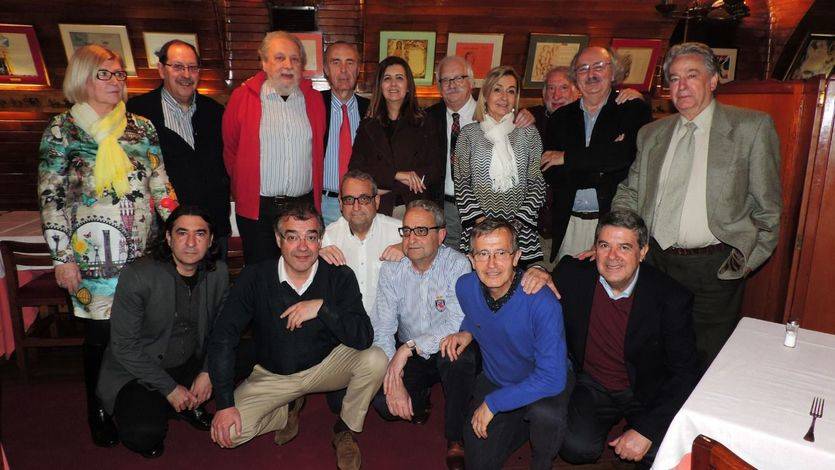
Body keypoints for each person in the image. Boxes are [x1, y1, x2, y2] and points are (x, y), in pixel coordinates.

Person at [38, 44, 178, 448]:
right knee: (101, 338)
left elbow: (160, 185)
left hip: (144, 254)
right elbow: (51, 198)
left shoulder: (141, 127)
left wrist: (183, 230)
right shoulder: (62, 131)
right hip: (91, 262)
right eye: (106, 74)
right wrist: (62, 258)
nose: (116, 82)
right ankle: (97, 408)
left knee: (143, 333)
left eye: (119, 75)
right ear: (82, 77)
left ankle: (139, 400)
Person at [612, 42, 782, 368]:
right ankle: (657, 420)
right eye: (674, 79)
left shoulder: (751, 128)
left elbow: (768, 210)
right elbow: (630, 192)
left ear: (713, 80)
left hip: (714, 268)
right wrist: (619, 240)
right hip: (655, 262)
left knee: (705, 362)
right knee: (653, 354)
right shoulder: (651, 134)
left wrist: (744, 262)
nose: (682, 86)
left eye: (692, 75)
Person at [208, 202, 386, 470]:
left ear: (320, 240)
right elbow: (224, 337)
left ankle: (344, 428)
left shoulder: (339, 276)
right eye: (293, 237)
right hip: (274, 374)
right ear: (278, 239)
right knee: (228, 435)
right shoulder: (255, 277)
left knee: (375, 359)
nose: (303, 247)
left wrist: (322, 308)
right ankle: (284, 410)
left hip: (326, 366)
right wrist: (223, 403)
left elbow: (363, 336)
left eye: (311, 237)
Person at [554, 210, 699, 468]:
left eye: (624, 247)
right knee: (575, 448)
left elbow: (685, 373)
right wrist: (536, 272)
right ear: (594, 248)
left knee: (662, 454)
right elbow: (526, 287)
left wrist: (646, 430)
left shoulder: (671, 298)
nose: (612, 257)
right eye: (604, 246)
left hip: (645, 388)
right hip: (594, 384)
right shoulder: (571, 275)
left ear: (642, 252)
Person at [97, 205, 229, 458]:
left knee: (256, 351)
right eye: (182, 233)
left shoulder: (218, 272)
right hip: (139, 370)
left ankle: (186, 402)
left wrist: (208, 371)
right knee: (143, 436)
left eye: (200, 234)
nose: (191, 243)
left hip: (191, 360)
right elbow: (124, 347)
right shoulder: (138, 275)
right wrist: (169, 388)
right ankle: (174, 404)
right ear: (168, 238)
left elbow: (223, 330)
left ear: (211, 240)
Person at [442, 218, 571, 470]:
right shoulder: (465, 287)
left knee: (545, 415)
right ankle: (519, 421)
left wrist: (494, 403)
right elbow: (477, 314)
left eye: (501, 253)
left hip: (542, 380)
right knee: (477, 460)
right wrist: (467, 331)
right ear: (471, 259)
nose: (491, 264)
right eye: (483, 254)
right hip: (498, 377)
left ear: (516, 257)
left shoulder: (542, 302)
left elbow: (553, 378)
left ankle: (542, 460)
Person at [369, 199, 476, 470]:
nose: (411, 239)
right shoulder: (392, 269)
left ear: (441, 235)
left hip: (445, 345)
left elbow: (455, 320)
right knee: (384, 405)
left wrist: (409, 348)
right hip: (410, 351)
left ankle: (455, 438)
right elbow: (383, 326)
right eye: (406, 231)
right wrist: (393, 372)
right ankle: (422, 395)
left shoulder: (458, 264)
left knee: (459, 359)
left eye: (421, 231)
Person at [222, 30, 326, 264]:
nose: (288, 65)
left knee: (301, 270)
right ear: (264, 62)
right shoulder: (242, 97)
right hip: (259, 210)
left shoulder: (314, 100)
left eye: (295, 59)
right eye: (279, 58)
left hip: (302, 207)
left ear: (302, 65)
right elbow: (230, 151)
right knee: (261, 275)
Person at [542, 47, 653, 264]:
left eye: (599, 67)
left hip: (614, 224)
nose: (591, 74)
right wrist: (601, 162)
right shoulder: (560, 117)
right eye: (583, 69)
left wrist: (567, 158)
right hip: (569, 224)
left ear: (613, 73)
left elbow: (623, 159)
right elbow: (551, 173)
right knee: (567, 289)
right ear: (576, 77)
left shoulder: (632, 110)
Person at [127, 40, 231, 258]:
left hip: (211, 230)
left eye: (192, 68)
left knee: (213, 291)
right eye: (178, 66)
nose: (186, 74)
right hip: (162, 233)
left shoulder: (215, 112)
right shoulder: (137, 113)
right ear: (161, 69)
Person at [426, 56, 536, 251]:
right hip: (445, 207)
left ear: (471, 82)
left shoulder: (496, 118)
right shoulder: (426, 118)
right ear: (438, 85)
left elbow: (534, 179)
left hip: (494, 211)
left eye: (458, 78)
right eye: (445, 80)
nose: (452, 84)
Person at [454, 66, 546, 265]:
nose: (504, 96)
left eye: (511, 91)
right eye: (498, 89)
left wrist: (517, 223)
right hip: (478, 233)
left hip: (520, 235)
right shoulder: (468, 134)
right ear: (485, 95)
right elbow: (461, 183)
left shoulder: (529, 134)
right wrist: (481, 222)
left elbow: (537, 184)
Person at [349, 56, 443, 217]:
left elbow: (433, 170)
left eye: (399, 78)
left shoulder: (425, 123)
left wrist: (380, 185)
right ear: (380, 86)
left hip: (413, 209)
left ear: (408, 86)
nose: (393, 84)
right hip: (376, 210)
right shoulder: (368, 126)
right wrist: (398, 175)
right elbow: (356, 170)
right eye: (387, 78)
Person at [320, 170, 403, 313]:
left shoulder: (400, 232)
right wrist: (315, 258)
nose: (356, 207)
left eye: (364, 199)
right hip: (344, 328)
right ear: (340, 203)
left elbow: (437, 250)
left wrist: (409, 247)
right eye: (349, 200)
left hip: (390, 329)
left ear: (376, 201)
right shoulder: (328, 237)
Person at [321, 42, 370, 226]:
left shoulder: (372, 110)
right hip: (322, 204)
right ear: (326, 69)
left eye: (350, 62)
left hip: (362, 205)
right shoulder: (313, 106)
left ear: (358, 69)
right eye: (336, 62)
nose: (343, 69)